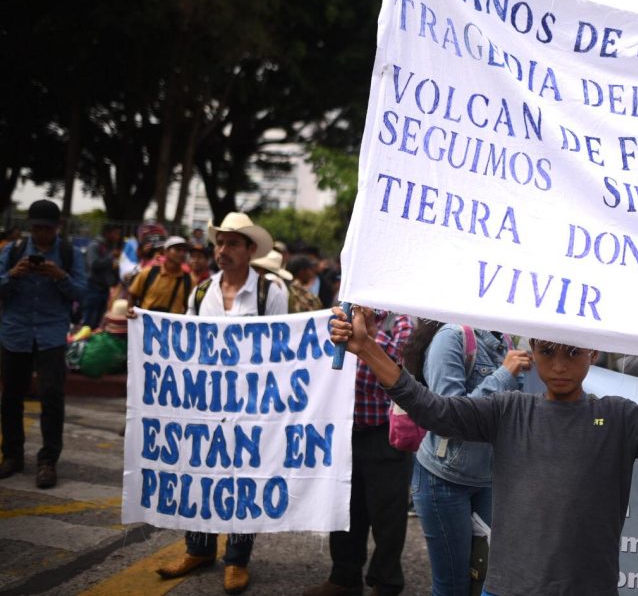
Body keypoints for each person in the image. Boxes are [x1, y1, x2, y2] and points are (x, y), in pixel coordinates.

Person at [330, 306, 638, 595]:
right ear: (533, 349)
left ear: (593, 353)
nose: (559, 364)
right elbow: (433, 409)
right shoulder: (508, 410)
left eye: (573, 351)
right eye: (548, 350)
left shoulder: (618, 416)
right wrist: (369, 349)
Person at [153, 212, 286, 594]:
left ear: (249, 250)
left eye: (231, 243)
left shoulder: (269, 292)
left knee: (243, 478)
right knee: (201, 471)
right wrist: (142, 322)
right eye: (219, 243)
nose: (222, 250)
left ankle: (237, 559)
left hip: (251, 405)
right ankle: (199, 548)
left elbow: (281, 351)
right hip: (205, 404)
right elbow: (186, 344)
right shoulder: (201, 292)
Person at [409, 321, 530, 596]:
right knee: (452, 585)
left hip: (488, 479)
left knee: (487, 577)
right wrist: (504, 373)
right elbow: (448, 417)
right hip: (443, 480)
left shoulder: (508, 343)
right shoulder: (451, 338)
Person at [304, 311, 415, 596]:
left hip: (385, 433)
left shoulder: (400, 323)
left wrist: (368, 337)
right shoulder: (339, 316)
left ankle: (386, 583)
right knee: (343, 506)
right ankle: (344, 577)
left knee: (387, 517)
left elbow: (400, 371)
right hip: (344, 432)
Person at [0, 199, 87, 488]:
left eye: (46, 229)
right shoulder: (12, 251)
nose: (40, 235)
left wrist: (59, 276)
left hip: (51, 333)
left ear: (57, 228)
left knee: (52, 398)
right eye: (36, 228)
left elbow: (82, 293)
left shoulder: (70, 254)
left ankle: (48, 461)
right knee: (11, 396)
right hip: (16, 332)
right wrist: (13, 275)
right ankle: (12, 455)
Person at [128, 236, 191, 313]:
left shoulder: (189, 280)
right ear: (165, 252)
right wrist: (130, 314)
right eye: (177, 250)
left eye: (184, 251)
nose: (182, 254)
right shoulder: (148, 273)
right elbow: (132, 296)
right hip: (146, 323)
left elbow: (190, 307)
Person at [82, 223, 122, 328]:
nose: (118, 237)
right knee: (89, 322)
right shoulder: (95, 245)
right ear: (107, 233)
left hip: (104, 289)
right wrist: (110, 258)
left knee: (99, 322)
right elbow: (93, 264)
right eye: (115, 234)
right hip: (93, 288)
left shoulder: (110, 247)